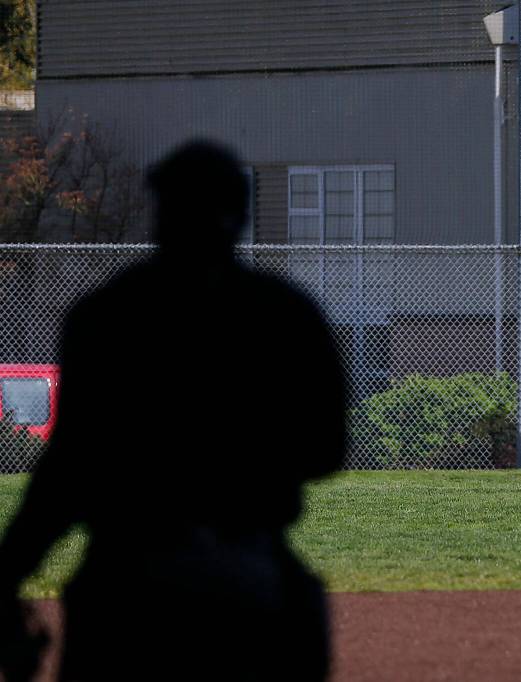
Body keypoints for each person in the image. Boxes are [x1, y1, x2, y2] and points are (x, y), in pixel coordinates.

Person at [0, 140, 347, 680]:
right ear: (240, 217)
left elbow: (66, 471)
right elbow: (327, 448)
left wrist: (9, 571)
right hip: (249, 567)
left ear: (160, 212)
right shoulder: (284, 314)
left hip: (129, 581)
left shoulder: (107, 317)